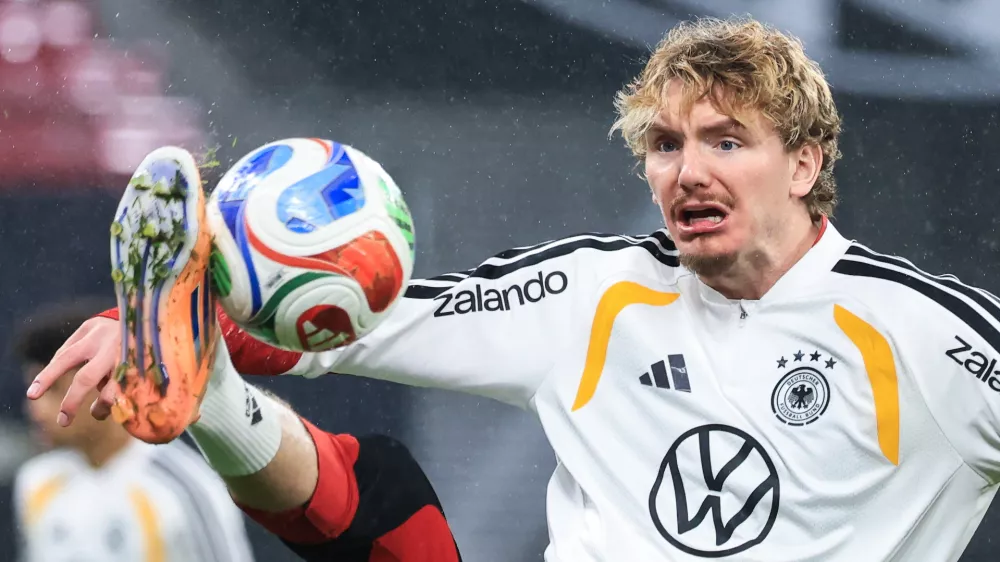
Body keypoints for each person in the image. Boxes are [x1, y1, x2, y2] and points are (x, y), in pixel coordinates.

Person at [27, 14, 1000, 561]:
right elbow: (355, 324)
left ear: (805, 163)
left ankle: (208, 390)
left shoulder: (924, 336)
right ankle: (206, 389)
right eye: (665, 144)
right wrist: (156, 316)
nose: (686, 171)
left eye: (725, 141)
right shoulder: (597, 295)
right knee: (388, 500)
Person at [11, 300, 255, 562]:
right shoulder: (36, 482)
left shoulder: (182, 485)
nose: (37, 410)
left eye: (54, 390)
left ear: (104, 380)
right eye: (34, 390)